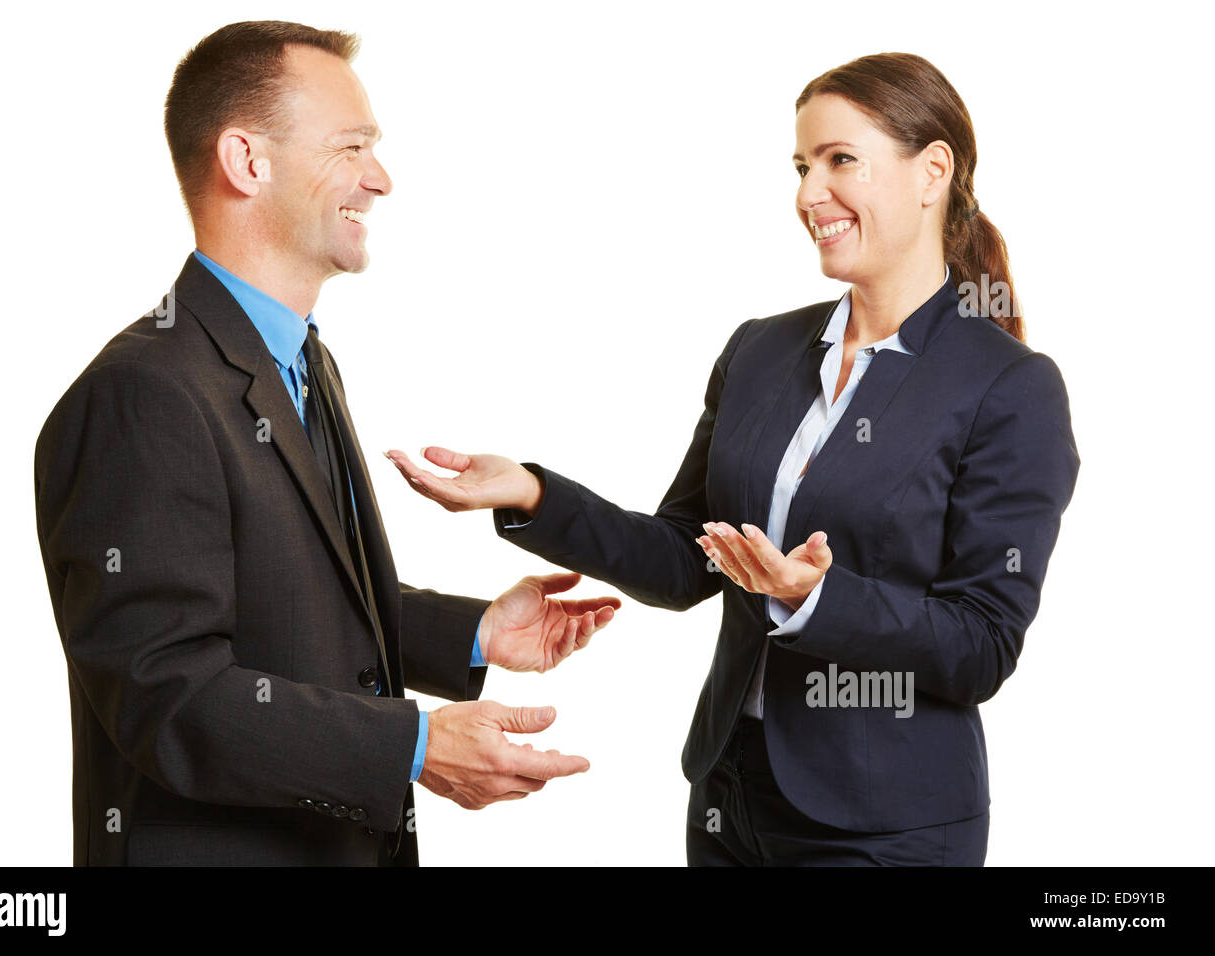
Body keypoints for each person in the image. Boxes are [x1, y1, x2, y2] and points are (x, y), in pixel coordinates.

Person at [386, 52, 1081, 866]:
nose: (808, 193)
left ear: (933, 172)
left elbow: (982, 644)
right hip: (728, 796)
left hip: (885, 830)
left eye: (839, 160)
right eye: (801, 165)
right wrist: (536, 496)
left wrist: (817, 600)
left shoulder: (1009, 387)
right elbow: (687, 560)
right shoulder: (762, 350)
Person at [33, 20, 621, 867]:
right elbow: (168, 695)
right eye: (351, 146)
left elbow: (286, 602)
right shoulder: (142, 394)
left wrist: (475, 634)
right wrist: (412, 744)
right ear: (247, 161)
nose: (379, 178)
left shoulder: (302, 360)